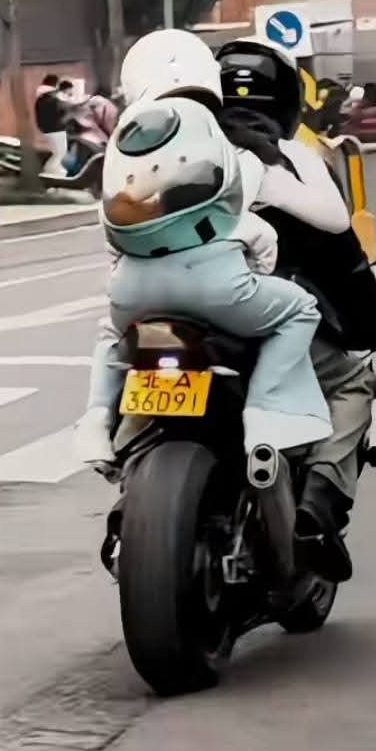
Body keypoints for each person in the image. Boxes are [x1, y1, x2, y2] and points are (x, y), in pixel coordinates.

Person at [78, 94, 333, 473]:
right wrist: (255, 276)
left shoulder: (128, 210)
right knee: (301, 309)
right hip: (220, 294)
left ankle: (97, 417)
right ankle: (266, 409)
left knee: (110, 336)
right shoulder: (221, 212)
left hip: (133, 298)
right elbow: (266, 247)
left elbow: (114, 252)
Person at [216, 37, 376, 582]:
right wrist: (370, 330)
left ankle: (125, 475)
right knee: (352, 383)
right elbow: (343, 256)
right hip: (265, 316)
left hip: (162, 312)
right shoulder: (293, 160)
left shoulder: (174, 147)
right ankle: (320, 503)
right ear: (291, 103)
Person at [34, 75, 71, 175]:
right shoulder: (53, 96)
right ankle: (51, 171)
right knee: (60, 152)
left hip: (47, 128)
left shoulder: (42, 96)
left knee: (57, 152)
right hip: (56, 128)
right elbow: (61, 109)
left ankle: (51, 170)